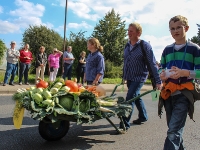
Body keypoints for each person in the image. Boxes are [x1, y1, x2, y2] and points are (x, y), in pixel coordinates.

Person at [159, 15, 200, 150]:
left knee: (173, 131)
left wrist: (185, 73)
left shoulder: (194, 49)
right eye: (172, 28)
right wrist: (162, 75)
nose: (175, 31)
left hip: (184, 94)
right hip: (168, 93)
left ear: (186, 28)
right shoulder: (167, 49)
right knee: (174, 130)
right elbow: (161, 68)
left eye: (178, 27)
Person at [121, 22, 162, 130]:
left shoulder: (145, 46)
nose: (128, 33)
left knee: (130, 98)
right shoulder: (127, 45)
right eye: (128, 30)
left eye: (131, 31)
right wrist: (124, 76)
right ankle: (143, 116)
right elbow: (126, 62)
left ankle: (124, 124)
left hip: (139, 77)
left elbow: (152, 64)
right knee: (136, 96)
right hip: (129, 77)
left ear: (138, 33)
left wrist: (158, 81)